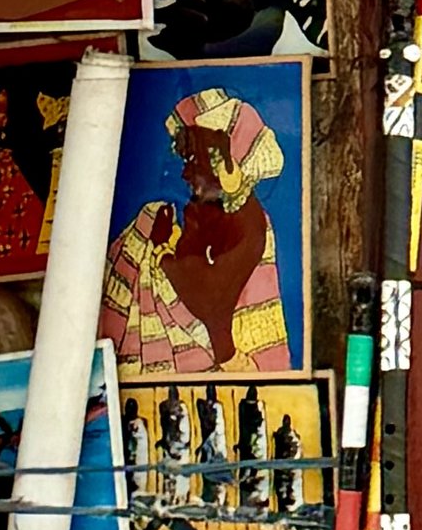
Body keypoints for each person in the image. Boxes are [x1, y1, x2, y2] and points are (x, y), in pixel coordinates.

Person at [100, 88, 296, 376]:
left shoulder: (249, 225)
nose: (185, 174)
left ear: (226, 170)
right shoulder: (204, 212)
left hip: (227, 363)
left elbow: (208, 302)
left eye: (194, 162)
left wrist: (161, 251)